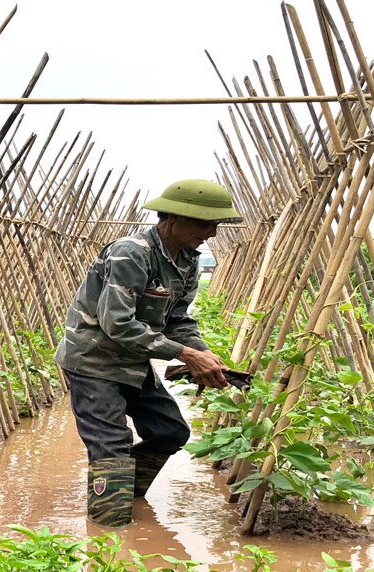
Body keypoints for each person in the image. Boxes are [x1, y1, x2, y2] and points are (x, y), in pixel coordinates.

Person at [55, 178, 242, 527]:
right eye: (204, 223)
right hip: (93, 360)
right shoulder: (132, 253)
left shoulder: (188, 261)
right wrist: (185, 355)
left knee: (170, 431)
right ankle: (110, 530)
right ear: (172, 218)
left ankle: (119, 490)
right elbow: (117, 324)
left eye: (215, 224)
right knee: (111, 445)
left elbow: (177, 319)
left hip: (132, 361)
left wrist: (203, 354)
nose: (212, 233)